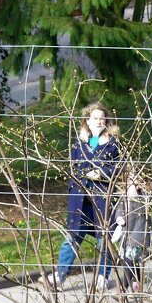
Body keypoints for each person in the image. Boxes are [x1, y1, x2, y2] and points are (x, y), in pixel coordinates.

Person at [47, 103, 121, 292]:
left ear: (106, 121)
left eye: (101, 118)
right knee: (72, 238)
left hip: (102, 199)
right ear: (87, 121)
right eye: (94, 118)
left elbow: (119, 168)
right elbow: (74, 166)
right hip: (80, 200)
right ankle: (58, 278)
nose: (98, 121)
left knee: (104, 239)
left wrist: (102, 173)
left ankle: (102, 278)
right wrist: (88, 171)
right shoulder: (79, 142)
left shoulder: (114, 144)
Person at [112, 172, 152, 293]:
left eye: (135, 183)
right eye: (130, 182)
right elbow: (118, 210)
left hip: (137, 237)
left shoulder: (143, 198)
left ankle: (123, 288)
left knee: (129, 261)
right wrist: (119, 218)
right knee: (133, 261)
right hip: (127, 235)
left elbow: (142, 210)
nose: (132, 185)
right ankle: (136, 283)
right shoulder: (124, 197)